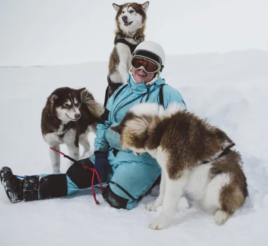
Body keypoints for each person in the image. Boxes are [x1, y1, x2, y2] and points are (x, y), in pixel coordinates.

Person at [0, 41, 186, 210]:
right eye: (138, 62)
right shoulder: (120, 92)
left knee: (116, 198)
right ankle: (22, 188)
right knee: (75, 175)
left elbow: (183, 135)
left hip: (143, 161)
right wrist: (100, 154)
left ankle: (149, 181)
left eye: (150, 65)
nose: (142, 69)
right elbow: (104, 124)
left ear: (158, 70)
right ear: (132, 63)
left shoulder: (167, 95)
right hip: (113, 154)